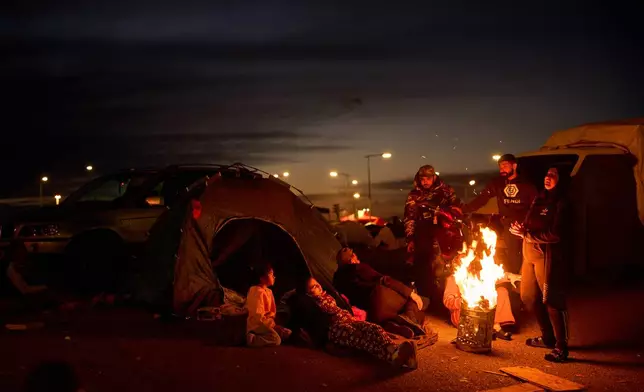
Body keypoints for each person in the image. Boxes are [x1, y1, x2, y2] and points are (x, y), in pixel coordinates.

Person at [509, 167, 571, 363]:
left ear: (561, 180)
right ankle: (547, 338)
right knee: (528, 296)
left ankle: (561, 347)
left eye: (553, 175)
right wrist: (522, 228)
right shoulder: (539, 199)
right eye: (546, 174)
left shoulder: (561, 202)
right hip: (529, 255)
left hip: (547, 256)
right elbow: (530, 223)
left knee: (552, 301)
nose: (548, 177)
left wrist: (528, 235)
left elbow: (556, 234)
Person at [294, 277, 418, 369]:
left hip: (350, 320)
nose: (318, 287)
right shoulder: (314, 303)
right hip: (336, 328)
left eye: (317, 284)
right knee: (363, 338)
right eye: (313, 287)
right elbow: (328, 310)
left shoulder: (328, 296)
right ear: (308, 293)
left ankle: (395, 351)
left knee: (374, 329)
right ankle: (393, 357)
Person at [333, 247, 434, 340]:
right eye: (354, 255)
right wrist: (410, 293)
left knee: (411, 303)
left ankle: (391, 324)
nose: (357, 257)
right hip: (378, 301)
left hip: (370, 313)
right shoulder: (357, 268)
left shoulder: (336, 278)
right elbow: (384, 280)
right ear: (351, 260)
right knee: (413, 298)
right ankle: (410, 318)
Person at [462, 154, 538, 275]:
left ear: (514, 166)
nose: (502, 169)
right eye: (500, 166)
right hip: (507, 223)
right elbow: (482, 198)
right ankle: (510, 278)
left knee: (523, 255)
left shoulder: (527, 184)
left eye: (505, 166)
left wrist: (528, 222)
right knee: (508, 253)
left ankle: (523, 281)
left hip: (523, 224)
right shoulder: (497, 183)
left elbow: (535, 206)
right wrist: (465, 209)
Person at [404, 165, 463, 302]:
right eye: (422, 178)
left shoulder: (446, 191)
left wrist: (446, 213)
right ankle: (426, 297)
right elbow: (409, 218)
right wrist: (410, 239)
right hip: (423, 232)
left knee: (448, 264)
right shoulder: (414, 195)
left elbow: (457, 209)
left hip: (445, 233)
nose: (425, 181)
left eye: (428, 178)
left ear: (434, 177)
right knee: (424, 266)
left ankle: (448, 296)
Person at [443, 274, 516, 340]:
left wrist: (510, 276)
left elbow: (497, 275)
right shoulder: (454, 278)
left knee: (501, 291)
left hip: (483, 311)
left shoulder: (481, 273)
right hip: (463, 315)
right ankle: (490, 329)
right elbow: (447, 301)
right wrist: (465, 301)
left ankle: (493, 327)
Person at [245, 264, 292, 347]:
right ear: (262, 278)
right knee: (276, 340)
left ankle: (267, 334)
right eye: (271, 274)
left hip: (268, 323)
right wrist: (272, 326)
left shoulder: (269, 291)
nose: (274, 277)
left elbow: (272, 311)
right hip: (257, 324)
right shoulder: (256, 291)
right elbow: (257, 316)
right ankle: (252, 339)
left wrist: (273, 322)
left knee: (288, 333)